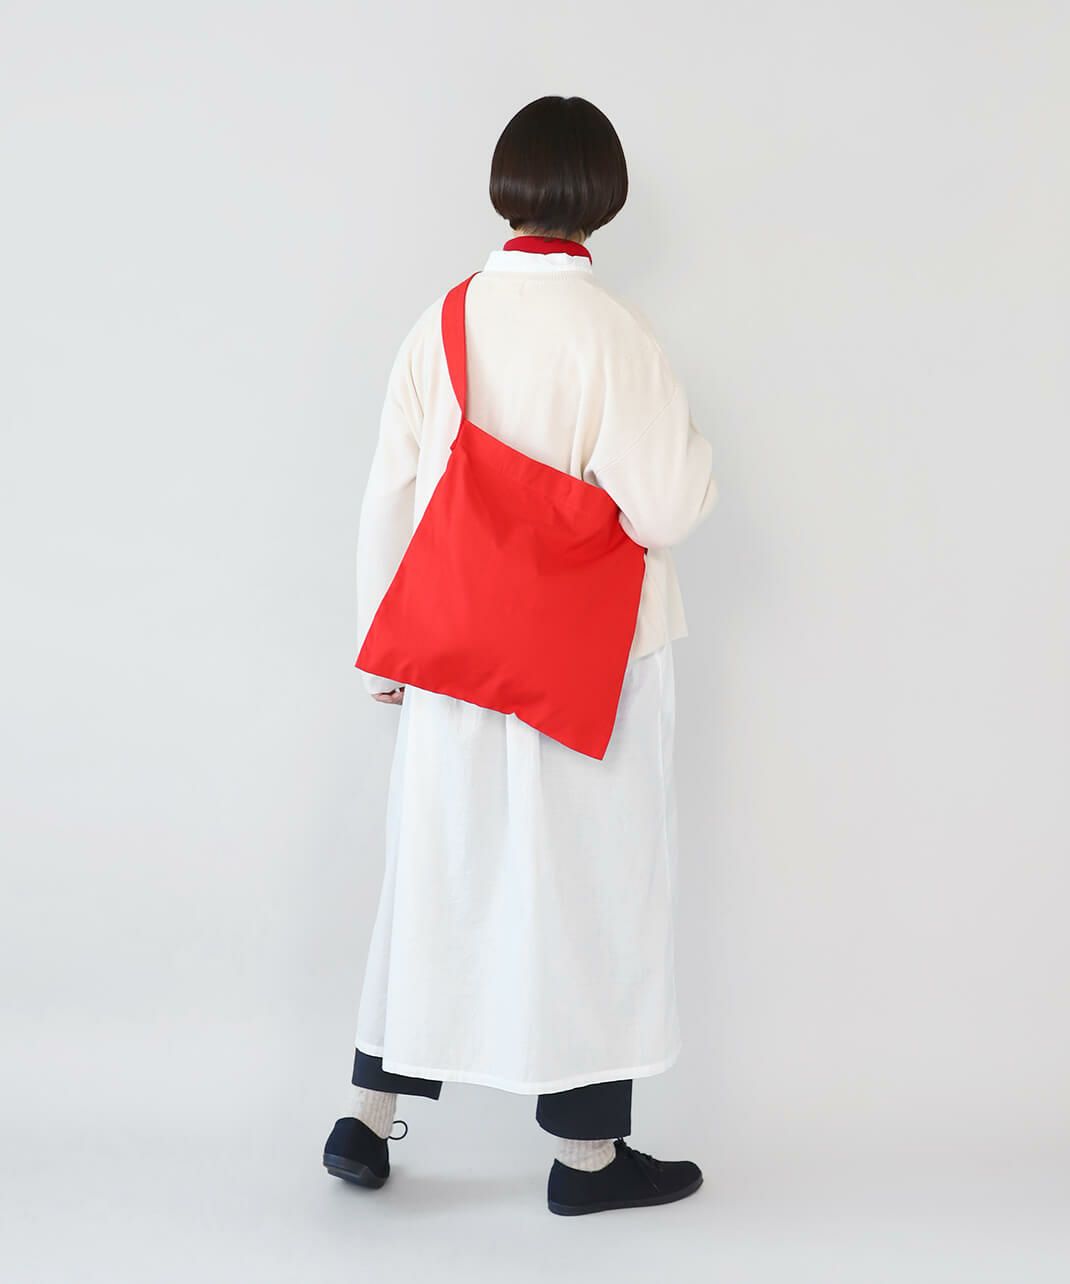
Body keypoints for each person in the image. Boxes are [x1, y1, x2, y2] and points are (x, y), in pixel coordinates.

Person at [323, 95, 718, 1216]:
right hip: (589, 668)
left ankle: (365, 1121)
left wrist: (385, 658)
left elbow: (392, 492)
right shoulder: (615, 333)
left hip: (454, 655)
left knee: (434, 877)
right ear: (603, 196)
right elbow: (667, 506)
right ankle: (586, 1160)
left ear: (507, 189)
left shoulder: (443, 319)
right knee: (589, 893)